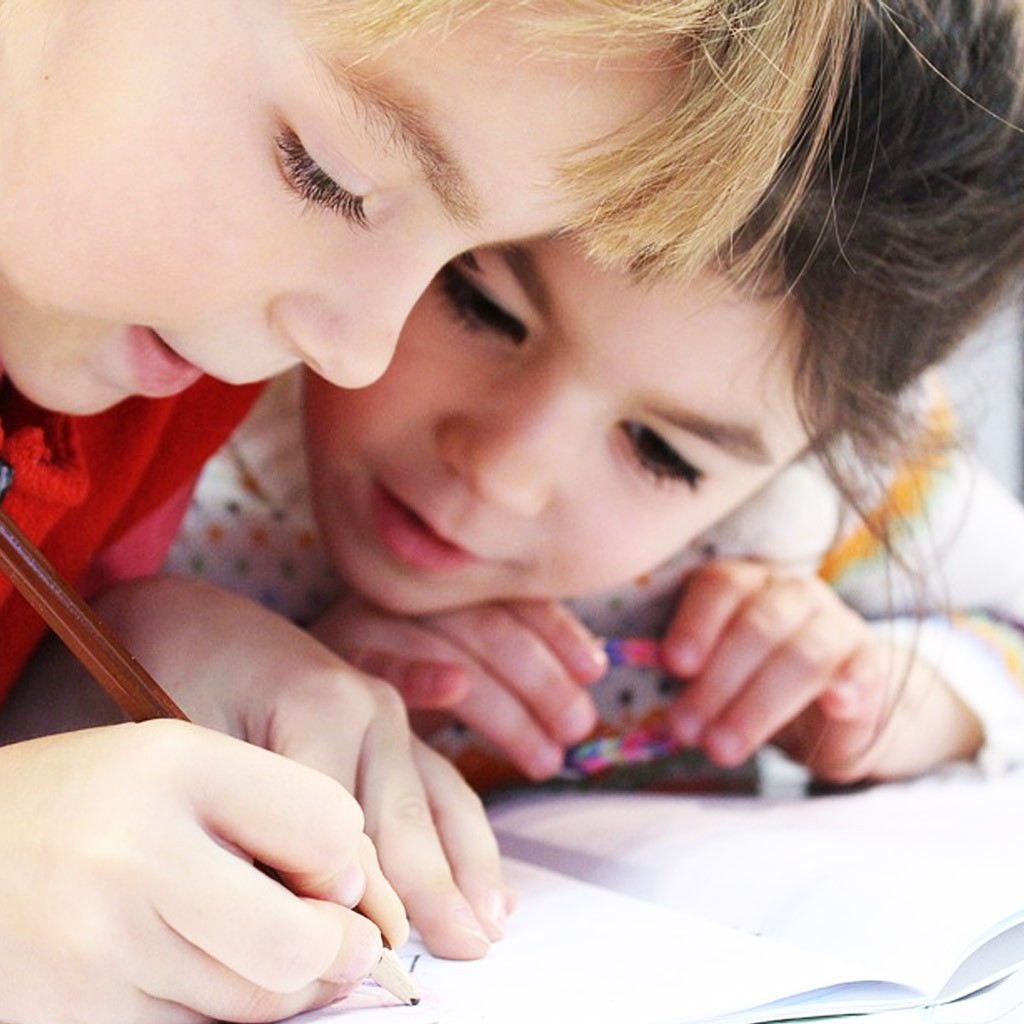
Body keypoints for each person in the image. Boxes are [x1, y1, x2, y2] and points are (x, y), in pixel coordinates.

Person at [0, 2, 859, 1023]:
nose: (358, 352)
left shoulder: (151, 373)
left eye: (457, 254)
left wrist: (73, 704)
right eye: (332, 176)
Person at [161, 0, 1024, 795]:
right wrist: (249, 685)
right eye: (482, 307)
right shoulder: (183, 380)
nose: (502, 474)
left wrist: (909, 700)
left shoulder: (826, 496)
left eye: (661, 452)